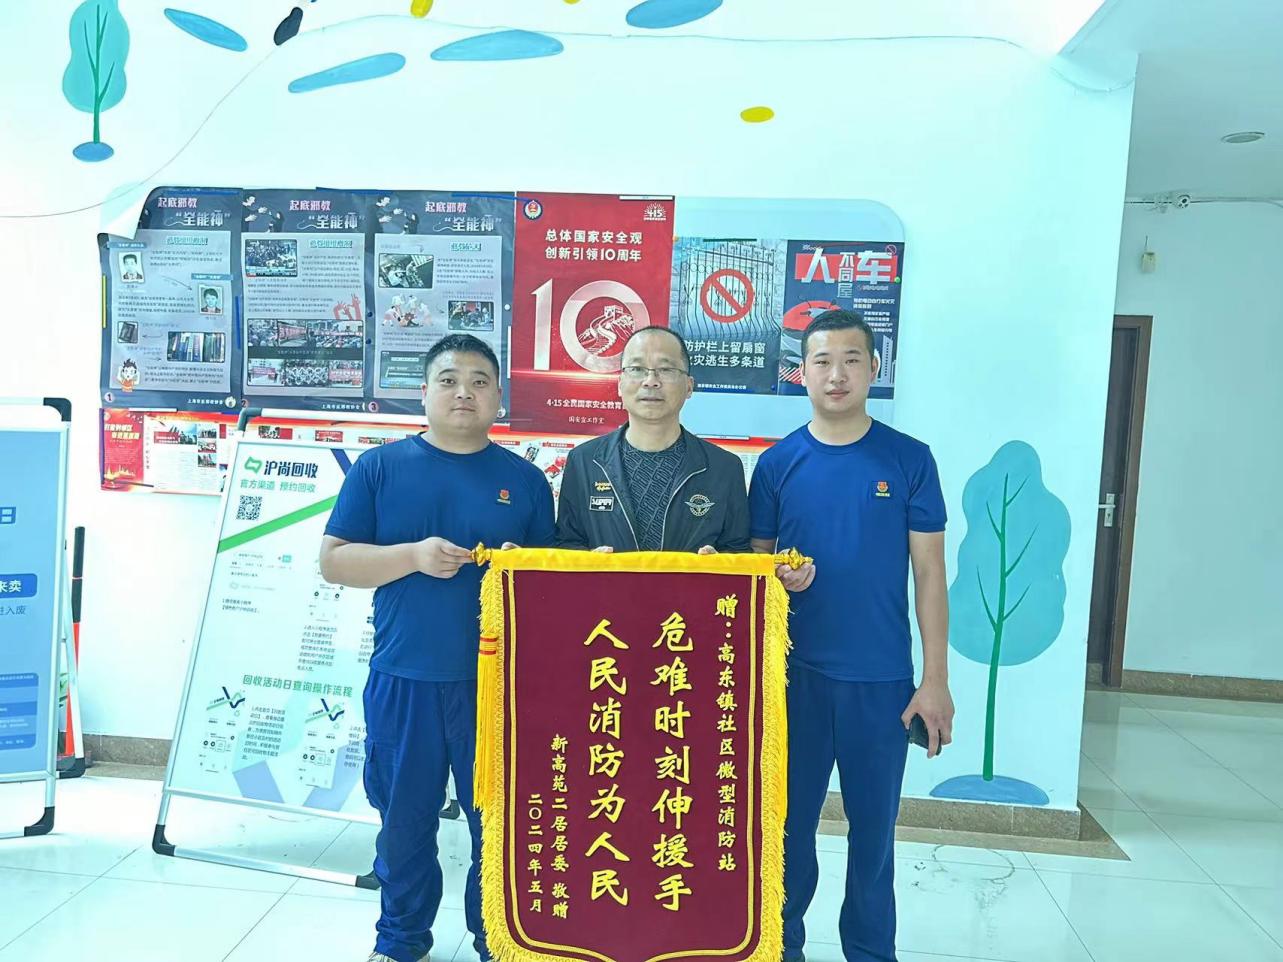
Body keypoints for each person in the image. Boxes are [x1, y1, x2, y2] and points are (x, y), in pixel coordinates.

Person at [319, 333, 555, 962]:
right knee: (404, 823)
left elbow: (554, 585)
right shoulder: (379, 469)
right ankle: (400, 941)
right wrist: (413, 556)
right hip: (405, 678)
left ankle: (499, 941)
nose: (464, 393)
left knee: (500, 825)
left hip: (498, 686)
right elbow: (335, 562)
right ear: (424, 392)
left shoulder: (525, 480)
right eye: (449, 380)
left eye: (479, 382)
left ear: (499, 397)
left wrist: (522, 568)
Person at [748, 309, 954, 962]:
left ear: (873, 369)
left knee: (873, 840)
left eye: (850, 360)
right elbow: (754, 575)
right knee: (785, 835)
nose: (835, 374)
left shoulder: (909, 459)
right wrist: (781, 579)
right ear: (801, 372)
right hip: (794, 681)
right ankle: (779, 948)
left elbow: (929, 574)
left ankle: (870, 951)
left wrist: (935, 682)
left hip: (881, 683)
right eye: (821, 361)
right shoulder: (776, 464)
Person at [555, 326, 750, 553]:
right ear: (620, 384)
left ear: (689, 386)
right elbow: (566, 544)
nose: (650, 381)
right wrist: (589, 563)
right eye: (637, 369)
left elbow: (738, 551)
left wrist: (720, 564)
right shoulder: (584, 462)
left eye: (665, 369)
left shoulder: (724, 468)